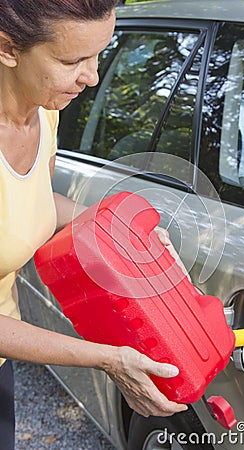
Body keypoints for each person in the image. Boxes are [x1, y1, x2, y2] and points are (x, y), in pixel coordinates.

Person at [0, 1, 187, 448]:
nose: (93, 77)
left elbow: (37, 201)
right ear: (7, 48)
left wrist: (120, 232)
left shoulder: (44, 112)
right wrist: (108, 359)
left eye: (98, 54)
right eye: (72, 61)